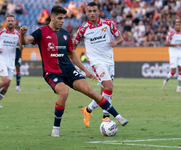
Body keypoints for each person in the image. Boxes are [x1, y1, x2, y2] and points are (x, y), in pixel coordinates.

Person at [20, 5, 128, 137]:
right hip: (52, 72)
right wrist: (22, 34)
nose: (62, 21)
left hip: (69, 70)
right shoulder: (41, 32)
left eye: (63, 19)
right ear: (52, 18)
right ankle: (56, 128)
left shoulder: (65, 35)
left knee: (91, 91)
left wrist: (85, 70)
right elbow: (25, 41)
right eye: (59, 18)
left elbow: (72, 54)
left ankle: (118, 116)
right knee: (64, 93)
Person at [74, 2, 127, 127]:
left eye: (94, 11)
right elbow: (73, 47)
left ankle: (96, 113)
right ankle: (109, 115)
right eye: (90, 11)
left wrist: (115, 41)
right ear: (86, 13)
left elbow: (121, 38)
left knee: (105, 91)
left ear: (99, 12)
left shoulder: (109, 24)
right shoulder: (83, 30)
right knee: (109, 86)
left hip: (109, 60)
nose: (92, 13)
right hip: (96, 62)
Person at [0, 14, 23, 108]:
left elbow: (21, 47)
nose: (10, 22)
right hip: (1, 59)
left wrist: (21, 45)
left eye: (12, 20)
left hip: (11, 61)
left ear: (14, 22)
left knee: (7, 84)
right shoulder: (0, 32)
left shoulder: (17, 34)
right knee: (4, 80)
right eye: (8, 21)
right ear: (6, 22)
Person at [163, 19, 181, 92]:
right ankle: (166, 81)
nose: (178, 26)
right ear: (174, 26)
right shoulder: (171, 33)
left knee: (180, 69)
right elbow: (166, 43)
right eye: (176, 25)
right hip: (173, 53)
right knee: (173, 71)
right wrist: (177, 45)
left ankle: (178, 88)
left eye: (179, 25)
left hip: (180, 52)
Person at [15, 26, 24, 91]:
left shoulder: (20, 36)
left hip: (18, 53)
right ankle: (4, 83)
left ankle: (17, 86)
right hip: (11, 53)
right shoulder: (11, 35)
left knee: (18, 67)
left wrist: (20, 45)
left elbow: (22, 47)